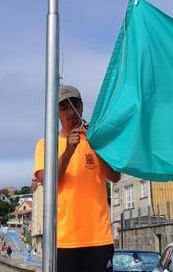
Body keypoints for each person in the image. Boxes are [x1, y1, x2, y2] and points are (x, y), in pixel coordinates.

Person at [34, 85, 121, 272]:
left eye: (74, 104)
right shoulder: (45, 145)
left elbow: (115, 177)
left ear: (81, 106)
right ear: (56, 112)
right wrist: (68, 152)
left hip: (99, 238)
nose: (70, 111)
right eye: (64, 107)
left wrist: (96, 146)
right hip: (64, 241)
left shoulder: (98, 141)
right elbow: (48, 184)